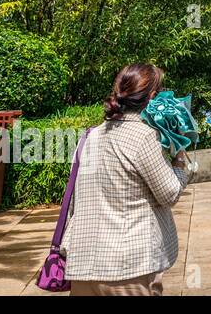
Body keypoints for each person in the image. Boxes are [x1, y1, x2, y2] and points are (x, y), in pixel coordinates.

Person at [63, 63, 189, 296]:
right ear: (152, 97)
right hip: (126, 269)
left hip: (82, 267)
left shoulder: (88, 137)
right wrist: (180, 158)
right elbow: (170, 193)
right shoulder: (143, 136)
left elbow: (74, 203)